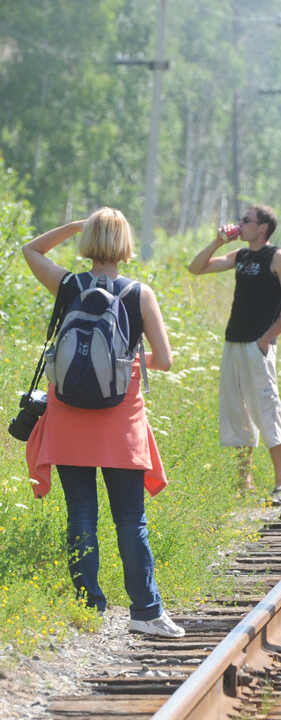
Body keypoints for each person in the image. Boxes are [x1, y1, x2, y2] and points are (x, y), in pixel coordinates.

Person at [22, 208, 184, 638]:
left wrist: (74, 227)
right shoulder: (139, 293)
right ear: (127, 243)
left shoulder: (68, 284)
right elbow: (165, 362)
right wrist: (125, 359)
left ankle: (88, 606)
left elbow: (30, 249)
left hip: (67, 418)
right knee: (130, 519)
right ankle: (146, 612)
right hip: (120, 422)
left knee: (81, 515)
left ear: (89, 240)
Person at [187, 204, 281, 505]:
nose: (239, 225)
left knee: (267, 407)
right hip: (233, 342)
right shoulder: (240, 256)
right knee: (236, 409)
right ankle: (244, 481)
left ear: (262, 227)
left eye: (246, 221)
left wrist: (267, 338)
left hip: (258, 346)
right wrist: (218, 241)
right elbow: (195, 268)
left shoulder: (276, 256)